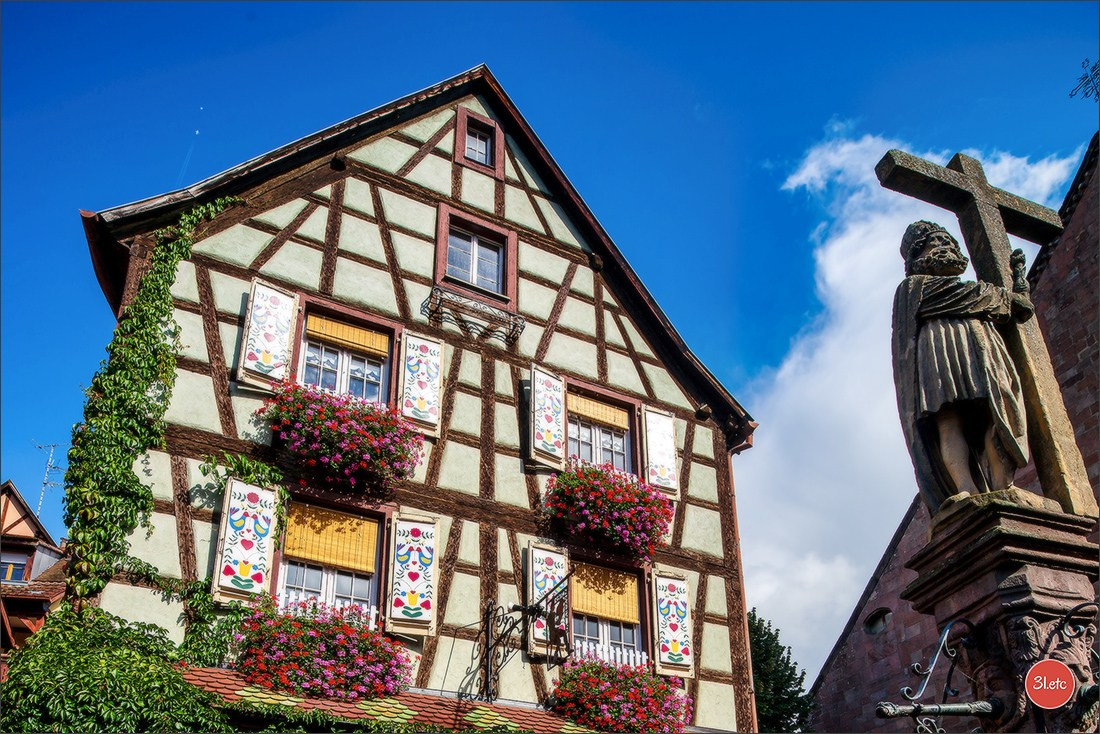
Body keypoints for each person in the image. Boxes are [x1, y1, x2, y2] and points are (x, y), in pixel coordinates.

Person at [891, 221, 1034, 514]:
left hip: (980, 352)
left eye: (949, 241)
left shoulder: (978, 292)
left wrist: (1018, 286)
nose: (946, 246)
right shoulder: (912, 289)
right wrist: (1007, 298)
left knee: (994, 418)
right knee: (948, 422)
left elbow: (1020, 307)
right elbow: (999, 303)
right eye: (936, 241)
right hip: (939, 353)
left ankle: (1001, 487)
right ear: (918, 254)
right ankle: (966, 489)